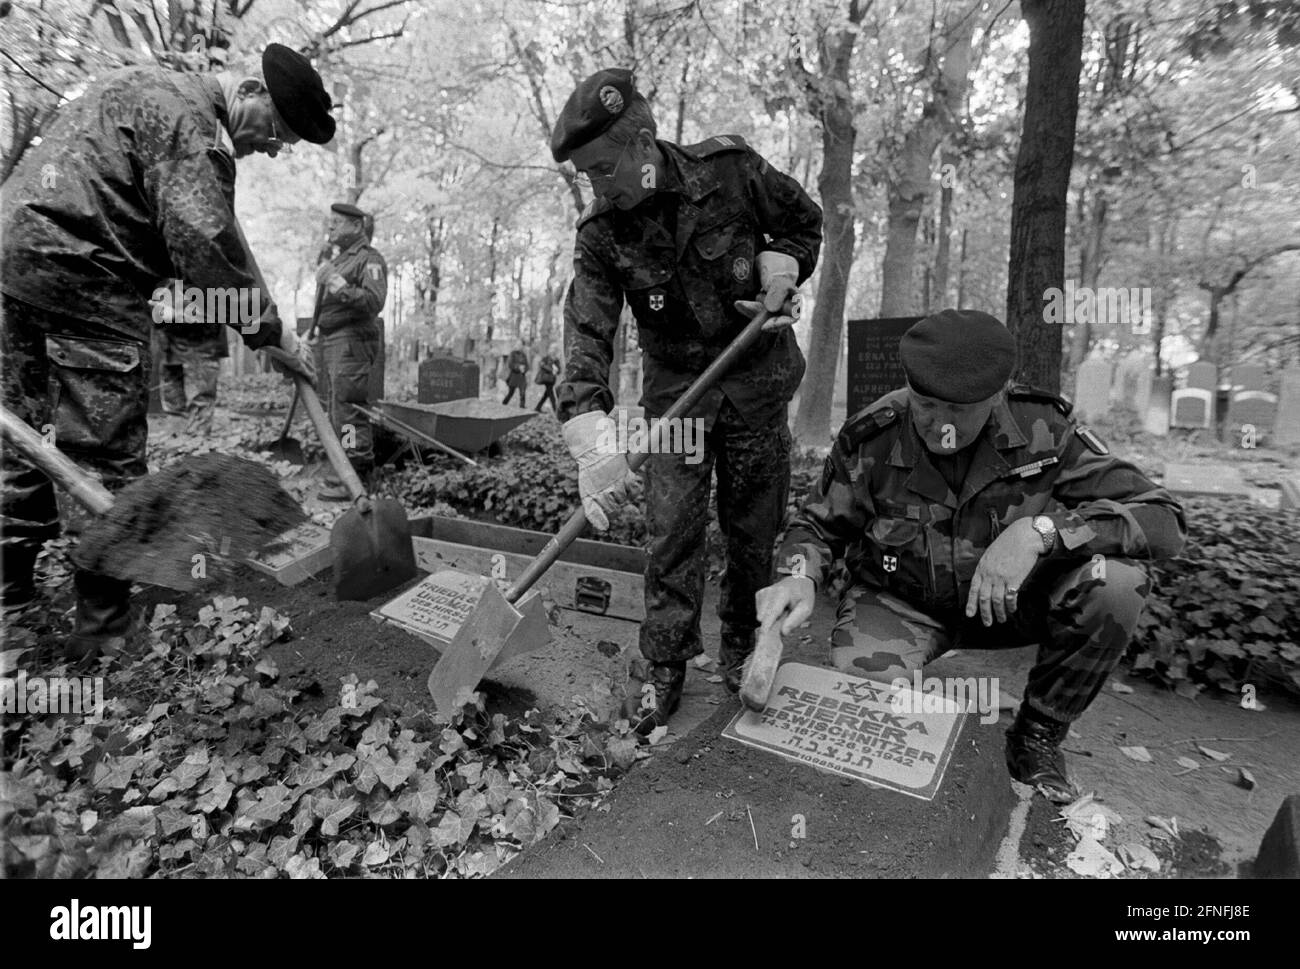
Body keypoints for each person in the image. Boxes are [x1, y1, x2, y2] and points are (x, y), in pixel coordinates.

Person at [756, 309, 1187, 801]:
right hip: (902, 603)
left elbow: (1163, 520)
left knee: (1117, 585)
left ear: (998, 395)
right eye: (926, 404)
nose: (941, 424)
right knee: (867, 714)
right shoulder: (874, 435)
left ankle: (1036, 738)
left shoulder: (1044, 430)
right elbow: (816, 523)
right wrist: (799, 575)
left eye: (960, 409)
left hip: (1012, 605)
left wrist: (1040, 531)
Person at [0, 43, 330, 660]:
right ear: (250, 92)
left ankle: (10, 602)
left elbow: (213, 242)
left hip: (14, 266)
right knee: (106, 453)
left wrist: (268, 328)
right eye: (280, 131)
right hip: (87, 282)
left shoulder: (139, 84)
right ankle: (102, 630)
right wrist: (269, 336)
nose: (275, 147)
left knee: (18, 436)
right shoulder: (190, 128)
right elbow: (206, 251)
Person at [551, 68, 823, 734]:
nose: (600, 185)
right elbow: (588, 332)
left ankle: (742, 649)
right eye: (587, 175)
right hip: (677, 406)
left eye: (606, 167)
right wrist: (593, 442)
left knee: (752, 533)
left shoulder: (729, 173)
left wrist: (784, 264)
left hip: (756, 386)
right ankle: (666, 666)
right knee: (671, 534)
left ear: (645, 143)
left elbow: (803, 224)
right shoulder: (600, 234)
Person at [312, 201, 387, 501]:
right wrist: (313, 330)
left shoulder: (370, 260)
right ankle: (344, 471)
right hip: (332, 340)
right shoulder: (340, 259)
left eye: (337, 222)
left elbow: (373, 302)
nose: (330, 226)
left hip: (352, 341)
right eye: (330, 221)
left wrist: (336, 282)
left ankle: (355, 477)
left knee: (349, 410)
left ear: (356, 227)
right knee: (337, 408)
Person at [155, 311, 227, 435]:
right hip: (172, 344)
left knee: (200, 403)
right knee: (175, 405)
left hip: (202, 342)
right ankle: (179, 444)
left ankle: (194, 446)